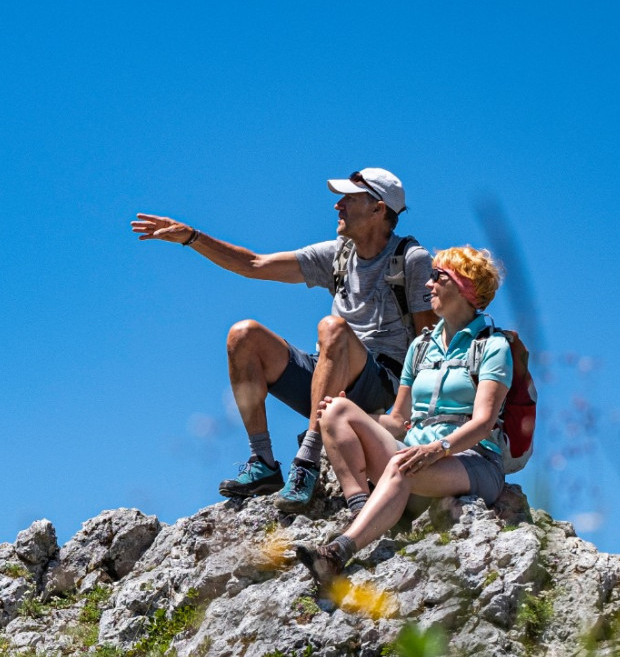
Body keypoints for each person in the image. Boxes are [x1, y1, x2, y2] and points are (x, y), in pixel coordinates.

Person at [132, 169, 436, 509]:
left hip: (383, 383)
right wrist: (192, 237)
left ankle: (307, 461)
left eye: (349, 198)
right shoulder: (338, 254)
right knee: (243, 335)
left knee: (331, 328)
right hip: (330, 380)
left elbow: (430, 341)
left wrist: (413, 417)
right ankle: (262, 461)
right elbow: (255, 264)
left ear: (378, 209)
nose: (338, 205)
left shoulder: (411, 260)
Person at [294, 245, 512, 591]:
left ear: (463, 287)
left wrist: (436, 449)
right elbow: (398, 419)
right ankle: (362, 510)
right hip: (413, 454)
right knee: (335, 410)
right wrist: (353, 417)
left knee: (401, 465)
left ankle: (337, 552)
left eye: (438, 277)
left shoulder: (492, 346)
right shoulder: (421, 347)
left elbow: (484, 422)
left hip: (474, 460)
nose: (428, 285)